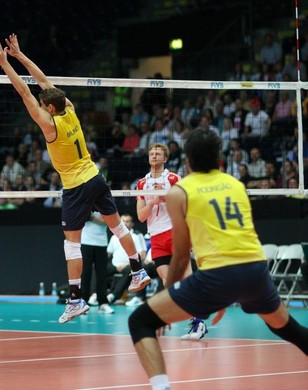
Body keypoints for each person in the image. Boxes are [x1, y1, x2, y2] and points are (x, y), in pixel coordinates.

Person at [128, 128, 308, 390]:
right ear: (219, 159)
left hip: (218, 275)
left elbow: (180, 255)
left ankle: (161, 386)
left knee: (140, 321)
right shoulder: (236, 185)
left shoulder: (181, 190)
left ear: (187, 160)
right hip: (256, 270)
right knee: (287, 327)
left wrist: (165, 299)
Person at [0, 34, 150, 324]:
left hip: (76, 186)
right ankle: (138, 270)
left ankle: (75, 299)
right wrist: (20, 55)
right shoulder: (70, 109)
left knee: (71, 245)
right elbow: (43, 82)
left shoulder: (50, 126)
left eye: (43, 104)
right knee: (118, 227)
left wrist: (5, 64)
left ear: (49, 108)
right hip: (95, 177)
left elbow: (26, 92)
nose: (40, 103)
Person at [136, 143, 207, 340]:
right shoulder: (142, 183)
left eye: (158, 153)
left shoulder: (174, 179)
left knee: (186, 279)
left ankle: (198, 323)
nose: (154, 155)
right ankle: (194, 320)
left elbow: (188, 203)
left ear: (165, 159)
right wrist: (152, 201)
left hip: (175, 232)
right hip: (156, 237)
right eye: (151, 153)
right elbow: (141, 216)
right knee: (170, 285)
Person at [106, 214, 156, 308]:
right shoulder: (114, 237)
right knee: (97, 267)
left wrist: (126, 265)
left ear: (132, 224)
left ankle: (114, 295)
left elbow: (142, 255)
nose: (124, 224)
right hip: (114, 266)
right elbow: (108, 253)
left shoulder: (137, 235)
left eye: (127, 221)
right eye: (123, 221)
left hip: (128, 266)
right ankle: (95, 295)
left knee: (131, 270)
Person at [80, 211, 113, 314]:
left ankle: (103, 303)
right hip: (86, 241)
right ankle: (83, 303)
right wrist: (101, 220)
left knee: (102, 274)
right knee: (85, 274)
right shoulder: (85, 199)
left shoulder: (106, 200)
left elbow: (111, 221)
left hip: (102, 242)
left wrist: (93, 218)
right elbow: (82, 216)